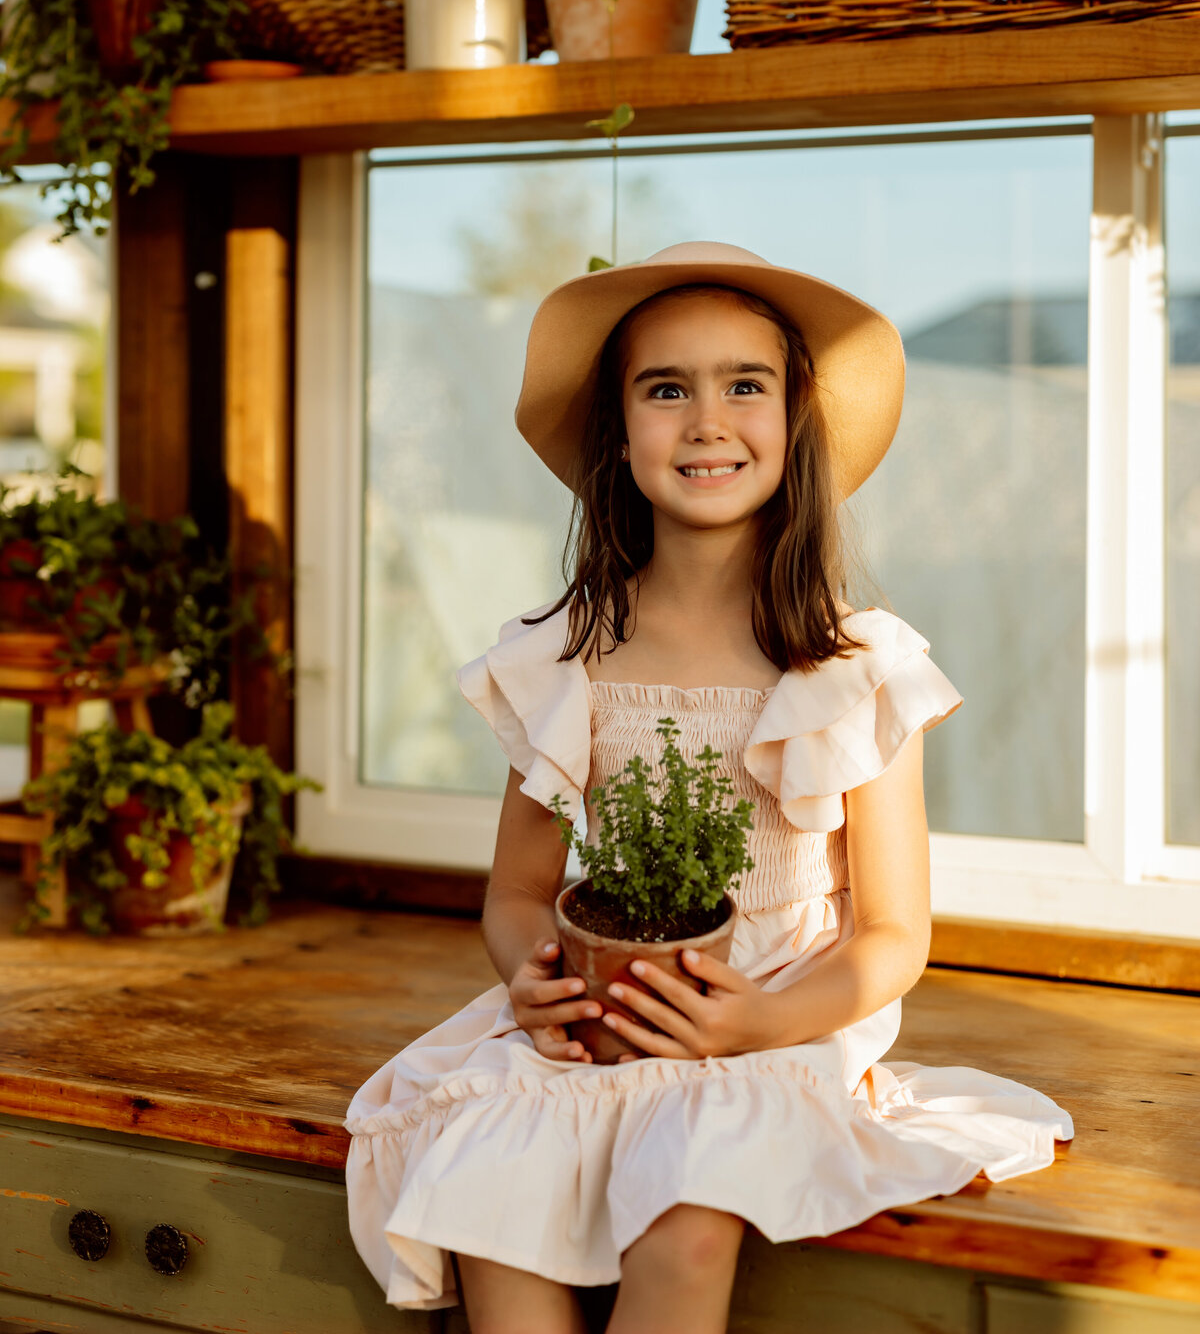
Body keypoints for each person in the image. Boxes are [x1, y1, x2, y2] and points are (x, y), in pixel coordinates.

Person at [346, 241, 1072, 1334]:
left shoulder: (855, 667)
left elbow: (892, 936)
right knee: (490, 1205)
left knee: (686, 1221)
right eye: (665, 388)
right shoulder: (562, 660)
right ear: (619, 432)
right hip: (600, 1023)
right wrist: (530, 979)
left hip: (774, 1026)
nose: (705, 421)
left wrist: (763, 1019)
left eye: (746, 384)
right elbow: (516, 893)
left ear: (796, 419)